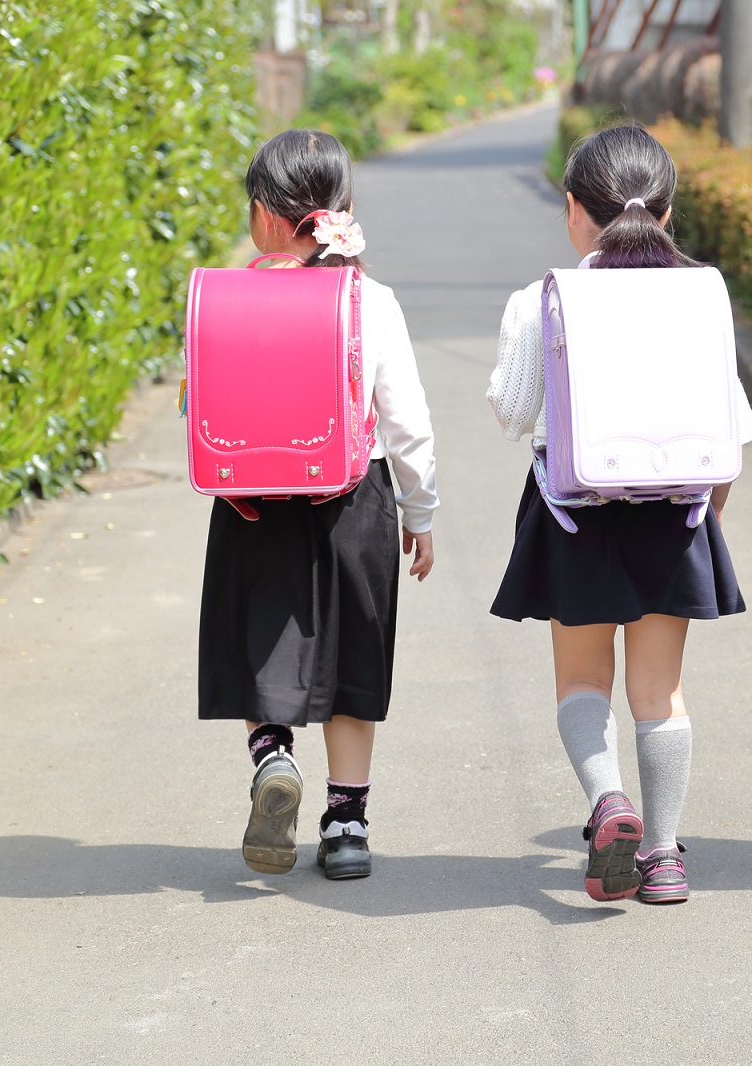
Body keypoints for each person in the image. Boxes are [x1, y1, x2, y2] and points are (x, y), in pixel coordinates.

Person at [486, 125, 752, 905]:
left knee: (581, 679)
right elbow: (733, 432)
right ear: (666, 211)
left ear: (575, 210)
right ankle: (664, 856)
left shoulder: (541, 300)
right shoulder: (700, 294)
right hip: (673, 518)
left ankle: (609, 801)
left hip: (574, 513)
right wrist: (709, 515)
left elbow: (513, 412)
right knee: (659, 692)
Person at [198, 129, 438, 881]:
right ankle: (347, 824)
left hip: (253, 502)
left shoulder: (225, 297)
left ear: (267, 216)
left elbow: (203, 403)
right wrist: (421, 514)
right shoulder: (371, 300)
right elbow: (407, 421)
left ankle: (272, 754)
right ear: (343, 208)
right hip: (354, 499)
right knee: (353, 659)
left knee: (261, 644)